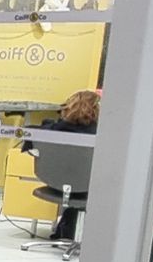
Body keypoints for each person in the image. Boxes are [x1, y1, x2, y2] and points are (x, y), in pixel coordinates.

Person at [22, 89, 100, 240]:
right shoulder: (99, 136)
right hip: (87, 186)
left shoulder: (51, 130)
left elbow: (30, 147)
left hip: (55, 183)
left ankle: (65, 230)